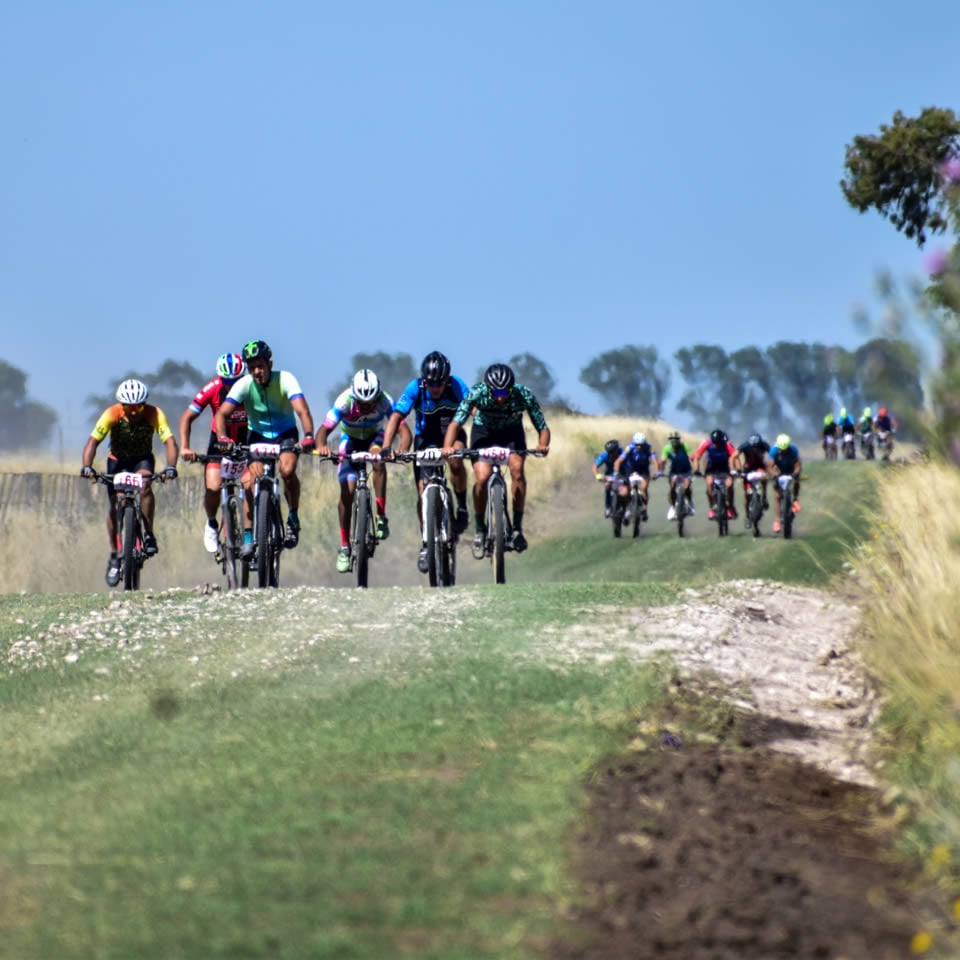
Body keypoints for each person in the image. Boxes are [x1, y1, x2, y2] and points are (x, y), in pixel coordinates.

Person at [213, 340, 316, 556]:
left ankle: (293, 516)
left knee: (287, 471)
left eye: (260, 366)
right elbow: (222, 413)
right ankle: (249, 535)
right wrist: (222, 437)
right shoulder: (244, 385)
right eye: (252, 368)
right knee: (250, 483)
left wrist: (308, 436)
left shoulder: (285, 379)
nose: (257, 372)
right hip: (258, 436)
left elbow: (302, 411)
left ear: (270, 364)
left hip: (285, 434)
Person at [442, 362, 550, 554]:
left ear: (511, 388)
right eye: (496, 394)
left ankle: (517, 528)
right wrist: (448, 447)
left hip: (511, 433)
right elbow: (455, 424)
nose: (501, 398)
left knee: (517, 470)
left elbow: (542, 426)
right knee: (481, 478)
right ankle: (479, 528)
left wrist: (543, 445)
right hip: (483, 433)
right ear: (488, 389)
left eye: (505, 393)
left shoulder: (523, 394)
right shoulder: (477, 393)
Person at [81, 378, 179, 587]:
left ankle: (149, 534)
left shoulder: (155, 414)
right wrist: (87, 466)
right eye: (128, 406)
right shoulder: (111, 414)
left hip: (142, 459)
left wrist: (171, 466)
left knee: (145, 487)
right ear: (121, 405)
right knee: (114, 507)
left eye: (139, 406)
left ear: (145, 404)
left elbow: (169, 441)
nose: (134, 411)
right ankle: (115, 554)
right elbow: (93, 442)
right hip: (117, 461)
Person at [381, 351, 469, 574]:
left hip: (454, 435)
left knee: (456, 459)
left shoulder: (457, 386)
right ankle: (425, 543)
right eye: (431, 384)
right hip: (426, 439)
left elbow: (474, 408)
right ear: (424, 380)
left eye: (439, 383)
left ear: (446, 380)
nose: (435, 388)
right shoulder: (415, 388)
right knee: (422, 491)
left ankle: (462, 505)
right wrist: (386, 446)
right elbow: (396, 417)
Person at [316, 368, 407, 574]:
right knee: (346, 491)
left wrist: (401, 450)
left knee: (378, 459)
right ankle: (344, 547)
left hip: (374, 438)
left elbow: (404, 431)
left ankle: (381, 516)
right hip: (350, 441)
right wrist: (322, 446)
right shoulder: (344, 401)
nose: (366, 407)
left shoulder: (385, 401)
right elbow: (323, 430)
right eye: (362, 403)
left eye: (371, 402)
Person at [179, 352, 249, 553]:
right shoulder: (212, 388)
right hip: (219, 442)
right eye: (227, 380)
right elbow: (187, 418)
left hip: (246, 438)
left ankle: (253, 533)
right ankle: (211, 523)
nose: (231, 384)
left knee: (251, 485)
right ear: (220, 377)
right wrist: (185, 446)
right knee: (213, 487)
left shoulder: (251, 388)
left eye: (236, 380)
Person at [692, 429, 740, 520]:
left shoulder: (727, 444)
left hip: (724, 467)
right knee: (709, 484)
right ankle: (712, 507)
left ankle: (729, 506)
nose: (716, 445)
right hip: (711, 467)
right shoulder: (706, 443)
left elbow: (735, 457)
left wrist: (738, 470)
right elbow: (697, 456)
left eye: (718, 443)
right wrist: (696, 469)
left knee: (729, 485)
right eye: (714, 442)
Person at [612, 432, 659, 522]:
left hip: (643, 470)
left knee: (644, 488)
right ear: (634, 443)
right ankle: (626, 508)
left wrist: (657, 472)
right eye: (637, 445)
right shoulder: (629, 448)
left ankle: (644, 510)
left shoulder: (649, 448)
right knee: (625, 492)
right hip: (630, 470)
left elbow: (655, 461)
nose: (639, 447)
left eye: (641, 445)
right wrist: (616, 473)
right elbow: (618, 461)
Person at [736, 432, 771, 528]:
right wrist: (738, 470)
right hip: (748, 469)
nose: (755, 449)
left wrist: (772, 467)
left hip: (760, 467)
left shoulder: (764, 445)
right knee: (747, 494)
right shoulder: (745, 445)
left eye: (757, 447)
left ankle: (764, 497)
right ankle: (747, 516)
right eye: (753, 447)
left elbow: (772, 455)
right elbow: (734, 456)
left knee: (764, 478)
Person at [770, 433, 802, 534]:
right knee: (777, 495)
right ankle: (777, 520)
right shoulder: (774, 451)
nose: (783, 451)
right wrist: (774, 474)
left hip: (790, 470)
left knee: (797, 481)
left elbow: (797, 465)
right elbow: (770, 466)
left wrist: (796, 473)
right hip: (779, 471)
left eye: (785, 449)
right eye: (781, 449)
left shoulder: (793, 450)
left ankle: (795, 499)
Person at [659, 432, 696, 519]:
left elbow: (692, 458)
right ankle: (673, 506)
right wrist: (660, 471)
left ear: (679, 440)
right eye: (672, 440)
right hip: (674, 471)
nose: (674, 441)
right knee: (672, 487)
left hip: (686, 471)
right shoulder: (667, 448)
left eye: (676, 439)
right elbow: (663, 461)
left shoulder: (684, 446)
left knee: (687, 487)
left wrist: (695, 468)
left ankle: (690, 503)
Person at [594, 439, 623, 518]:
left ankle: (630, 506)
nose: (611, 454)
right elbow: (595, 466)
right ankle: (608, 507)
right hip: (610, 474)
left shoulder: (623, 453)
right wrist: (597, 475)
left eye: (613, 452)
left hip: (623, 473)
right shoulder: (604, 455)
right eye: (609, 452)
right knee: (607, 486)